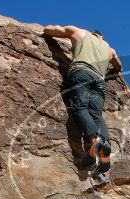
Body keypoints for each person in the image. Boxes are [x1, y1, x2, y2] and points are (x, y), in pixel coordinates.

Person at [42, 25, 122, 185]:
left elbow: (50, 30)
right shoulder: (109, 49)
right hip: (99, 82)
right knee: (95, 114)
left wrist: (47, 30)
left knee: (79, 108)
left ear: (92, 34)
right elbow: (118, 65)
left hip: (81, 73)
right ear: (102, 38)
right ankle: (104, 145)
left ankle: (93, 140)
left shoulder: (78, 32)